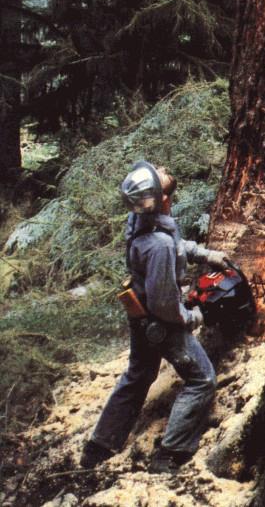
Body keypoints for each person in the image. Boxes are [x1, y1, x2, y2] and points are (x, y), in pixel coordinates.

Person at [80, 161, 231, 473]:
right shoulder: (158, 245)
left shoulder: (143, 220)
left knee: (138, 375)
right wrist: (194, 317)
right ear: (162, 198)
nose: (162, 168)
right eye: (159, 174)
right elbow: (166, 306)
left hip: (141, 315)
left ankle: (99, 447)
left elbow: (174, 244)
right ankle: (170, 453)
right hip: (161, 323)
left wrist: (204, 254)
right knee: (202, 379)